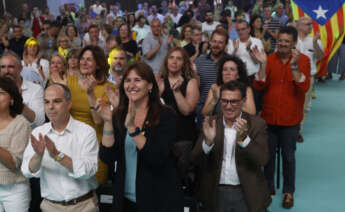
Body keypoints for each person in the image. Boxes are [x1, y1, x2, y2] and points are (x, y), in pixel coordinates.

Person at [97, 61, 184, 212]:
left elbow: (157, 158)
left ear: (150, 86)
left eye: (137, 80)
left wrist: (132, 128)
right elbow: (107, 157)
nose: (131, 85)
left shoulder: (166, 115)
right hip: (124, 201)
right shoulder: (119, 114)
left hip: (158, 200)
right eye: (128, 80)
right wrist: (108, 122)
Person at [252, 26, 310, 209]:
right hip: (269, 117)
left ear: (293, 43)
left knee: (288, 157)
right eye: (281, 40)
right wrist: (262, 64)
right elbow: (259, 85)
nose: (283, 44)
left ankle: (288, 191)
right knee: (267, 156)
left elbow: (303, 87)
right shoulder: (269, 59)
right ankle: (267, 186)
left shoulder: (304, 60)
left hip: (290, 119)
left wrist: (294, 64)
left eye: (287, 41)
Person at [191, 80, 271, 212]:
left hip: (246, 192)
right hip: (215, 192)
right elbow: (194, 159)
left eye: (234, 101)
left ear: (243, 101)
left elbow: (263, 159)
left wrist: (243, 139)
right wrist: (208, 143)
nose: (228, 106)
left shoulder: (257, 124)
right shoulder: (211, 122)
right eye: (224, 101)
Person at [21, 83, 99, 212]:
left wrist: (58, 155)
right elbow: (27, 171)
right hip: (50, 207)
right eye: (46, 102)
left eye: (56, 101)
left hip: (84, 206)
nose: (50, 107)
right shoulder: (38, 133)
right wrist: (38, 156)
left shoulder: (86, 131)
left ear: (69, 104)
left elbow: (89, 170)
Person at [67, 45, 115, 185]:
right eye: (82, 59)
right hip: (70, 144)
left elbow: (99, 120)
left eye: (89, 60)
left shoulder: (108, 88)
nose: (83, 62)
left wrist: (90, 93)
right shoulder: (69, 83)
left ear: (99, 64)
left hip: (95, 146)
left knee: (93, 189)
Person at [0, 76, 31, 212]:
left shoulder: (21, 124)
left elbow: (14, 162)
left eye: (1, 93)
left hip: (14, 189)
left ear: (12, 99)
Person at [158, 47, 199, 141]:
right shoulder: (160, 81)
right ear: (166, 61)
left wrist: (176, 91)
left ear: (184, 63)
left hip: (183, 136)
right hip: (163, 135)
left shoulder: (191, 82)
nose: (174, 61)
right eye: (171, 57)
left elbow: (186, 111)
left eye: (179, 58)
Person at [0, 51, 45, 128]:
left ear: (20, 69)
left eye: (11, 67)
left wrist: (20, 104)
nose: (6, 71)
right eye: (3, 67)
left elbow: (40, 122)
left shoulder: (36, 89)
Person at [195, 28, 230, 127]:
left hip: (225, 110)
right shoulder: (199, 61)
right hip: (203, 110)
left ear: (225, 44)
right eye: (214, 41)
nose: (216, 45)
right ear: (210, 42)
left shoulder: (230, 62)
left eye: (220, 42)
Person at [296, 17, 323, 142]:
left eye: (311, 24)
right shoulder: (292, 39)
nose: (310, 26)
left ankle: (298, 132)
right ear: (299, 26)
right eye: (307, 24)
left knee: (304, 106)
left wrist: (315, 43)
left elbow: (320, 56)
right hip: (292, 75)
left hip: (308, 77)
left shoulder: (314, 40)